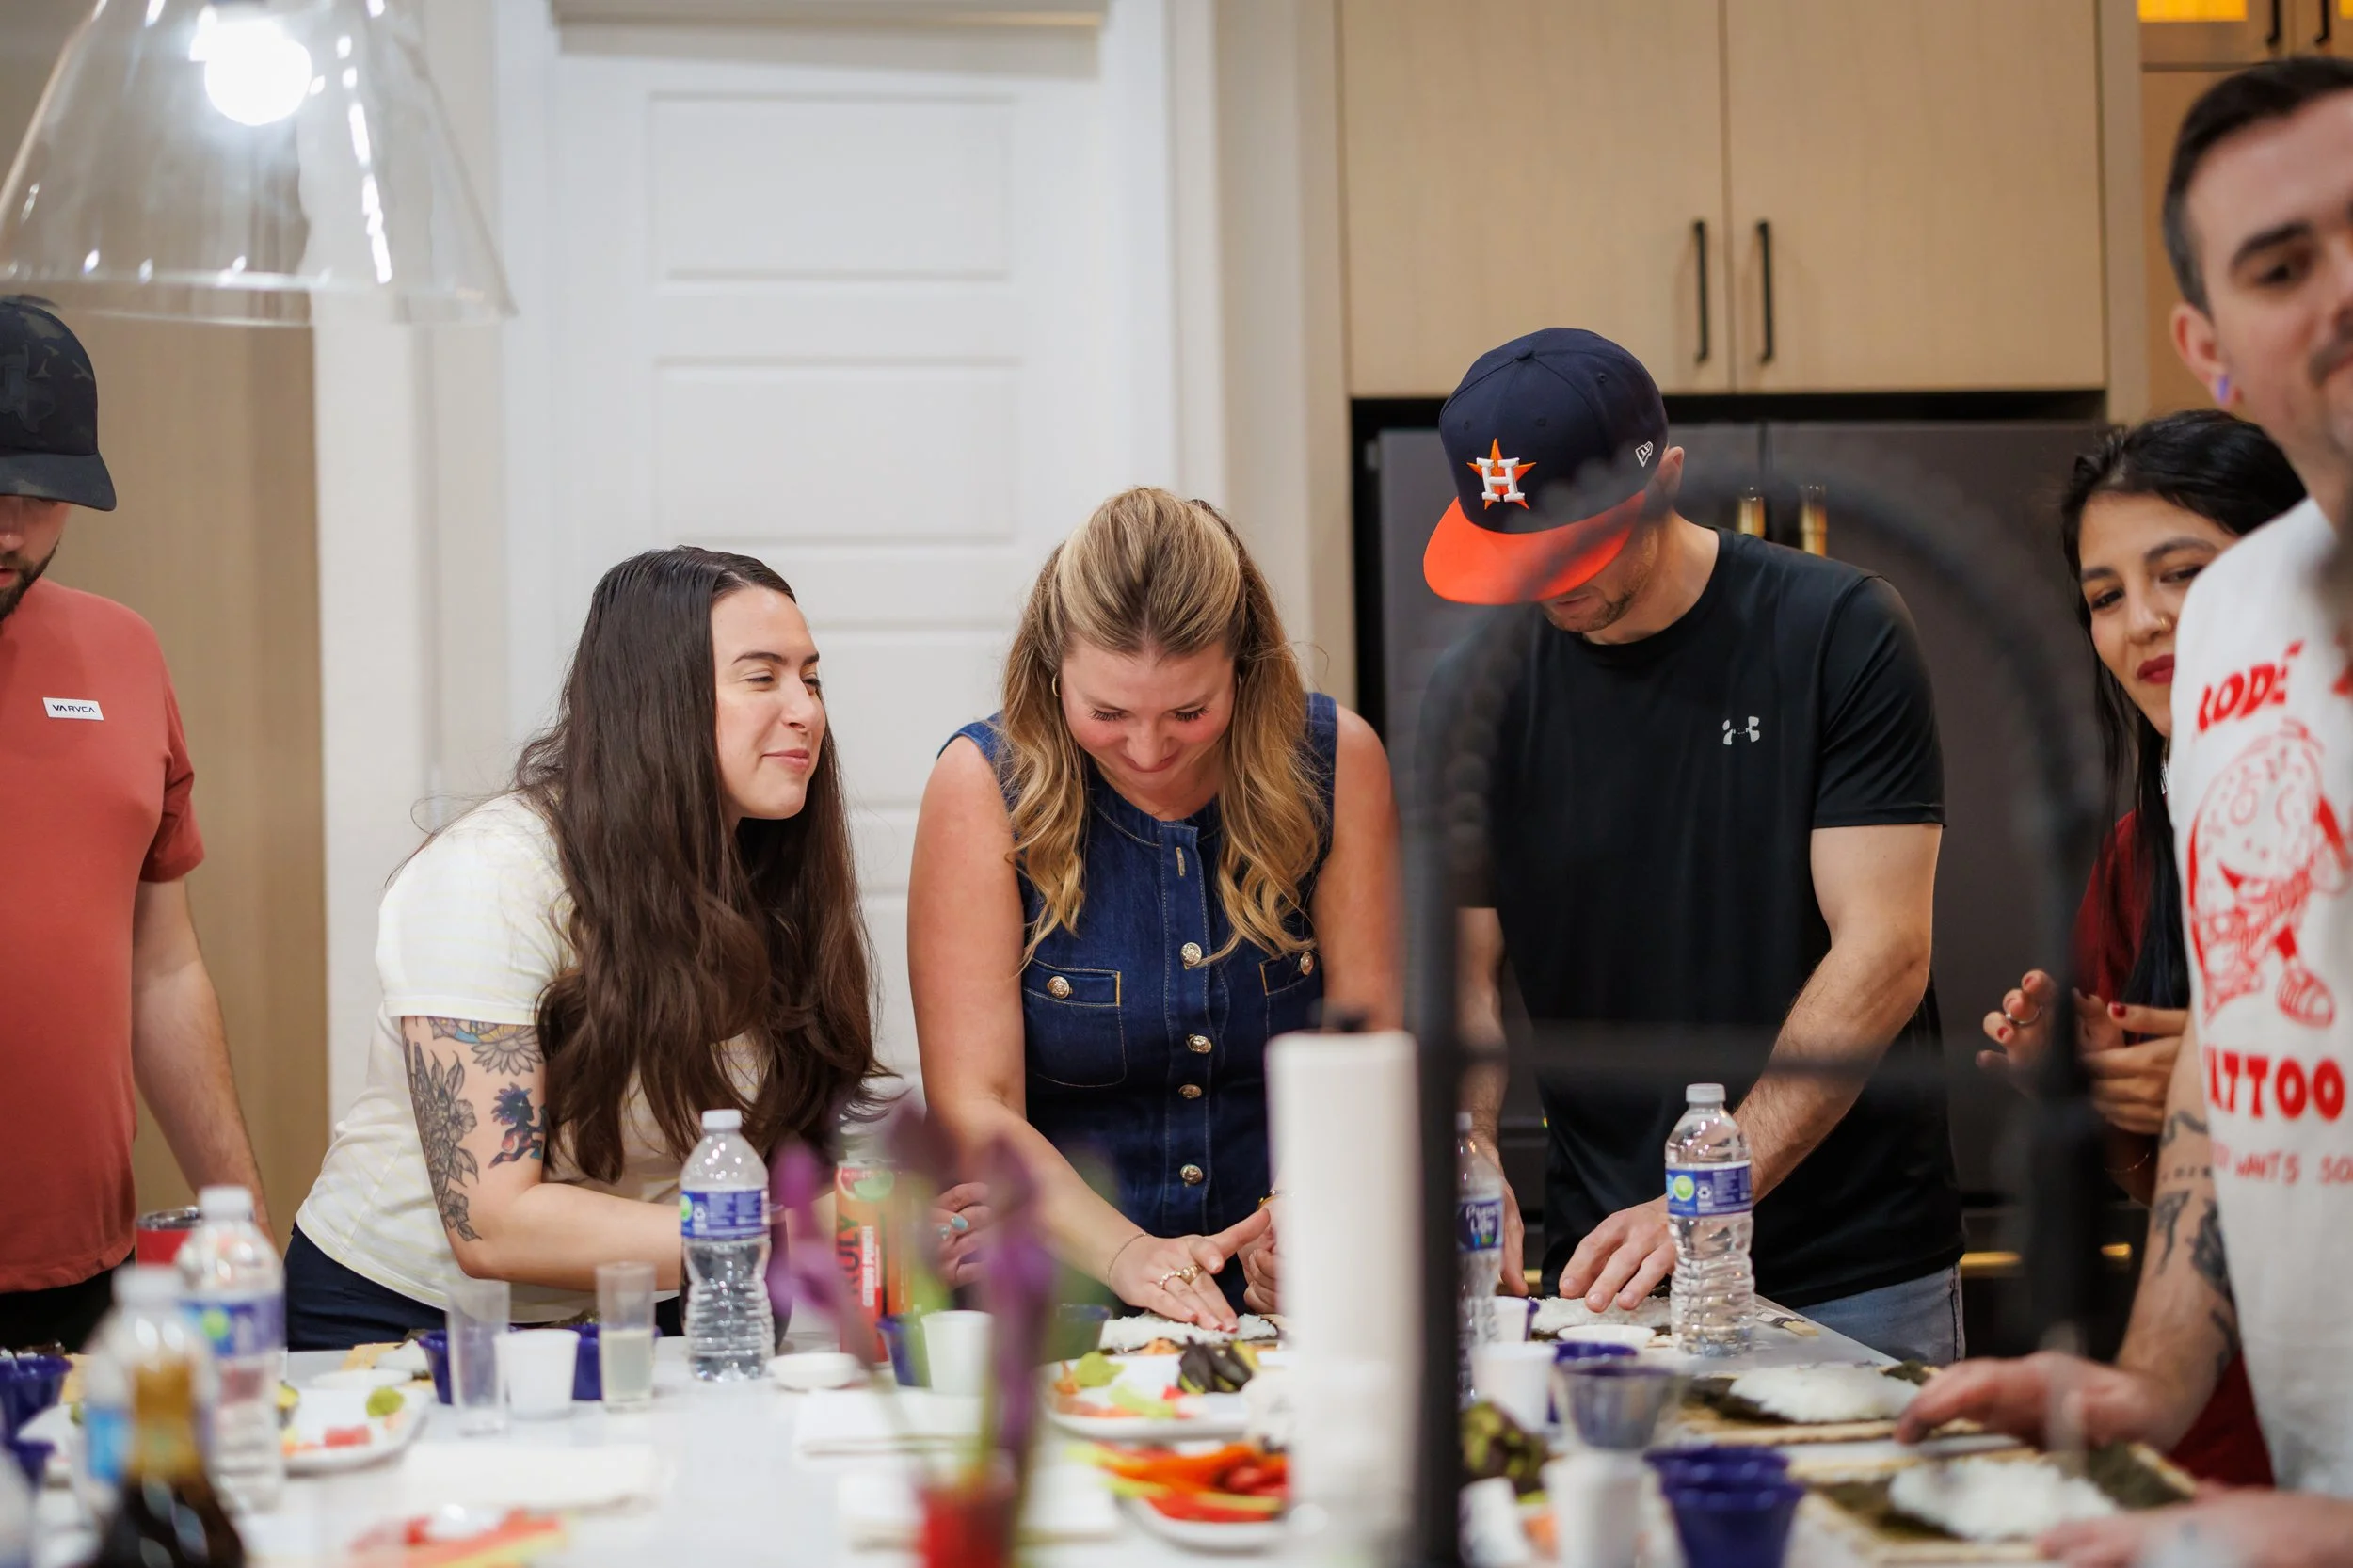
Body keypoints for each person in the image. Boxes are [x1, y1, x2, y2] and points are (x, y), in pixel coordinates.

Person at [1900, 57, 2353, 1567]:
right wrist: (2153, 1378)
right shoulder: (2240, 631)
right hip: (2292, 1447)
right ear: (2212, 342)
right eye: (2285, 262)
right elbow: (2243, 1053)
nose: (2340, 288)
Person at [1434, 328, 1965, 1363]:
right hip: (1607, 1268)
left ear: (1666, 478)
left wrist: (1708, 1190)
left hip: (1854, 1265)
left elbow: (1885, 950)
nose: (1550, 584)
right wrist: (1470, 1143)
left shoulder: (1837, 631)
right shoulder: (1483, 690)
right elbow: (1464, 967)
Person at [288, 548, 890, 1348]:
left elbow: (777, 1139)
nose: (805, 711)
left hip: (648, 1301)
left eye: (810, 679)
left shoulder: (770, 868)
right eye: (762, 677)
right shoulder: (490, 878)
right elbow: (493, 1227)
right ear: (656, 703)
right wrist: (791, 1235)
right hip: (413, 1320)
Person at [910, 488, 1401, 1330]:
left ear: (1243, 667)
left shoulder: (1336, 761)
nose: (1147, 748)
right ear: (1050, 669)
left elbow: (1371, 1055)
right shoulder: (983, 786)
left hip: (1289, 1302)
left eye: (1189, 712)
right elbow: (975, 1102)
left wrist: (1304, 1221)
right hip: (1061, 1303)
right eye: (1107, 713)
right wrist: (1128, 1255)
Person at [1977, 413, 2301, 1485]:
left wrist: (2249, 1085)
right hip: (2222, 1410)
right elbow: (2161, 1184)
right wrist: (2094, 1089)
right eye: (2105, 595)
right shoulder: (2138, 852)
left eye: (2182, 572)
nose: (2143, 622)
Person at [0, 298, 268, 1351]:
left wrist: (239, 1222)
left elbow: (160, 968)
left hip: (81, 1268)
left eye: (41, 496)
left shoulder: (122, 653)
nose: (10, 527)